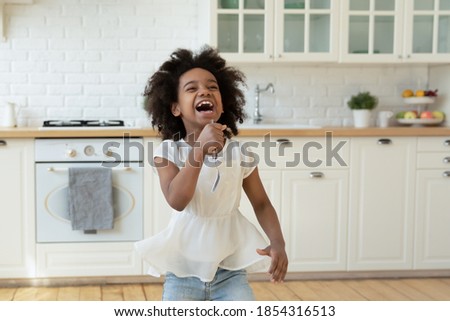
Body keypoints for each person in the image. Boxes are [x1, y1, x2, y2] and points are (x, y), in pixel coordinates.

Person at [135, 45, 288, 301]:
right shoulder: (168, 152)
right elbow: (177, 200)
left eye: (212, 87)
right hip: (182, 272)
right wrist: (199, 151)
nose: (204, 90)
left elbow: (261, 204)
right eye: (191, 88)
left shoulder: (241, 154)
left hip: (230, 273)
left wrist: (278, 242)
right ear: (175, 108)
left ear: (222, 102)